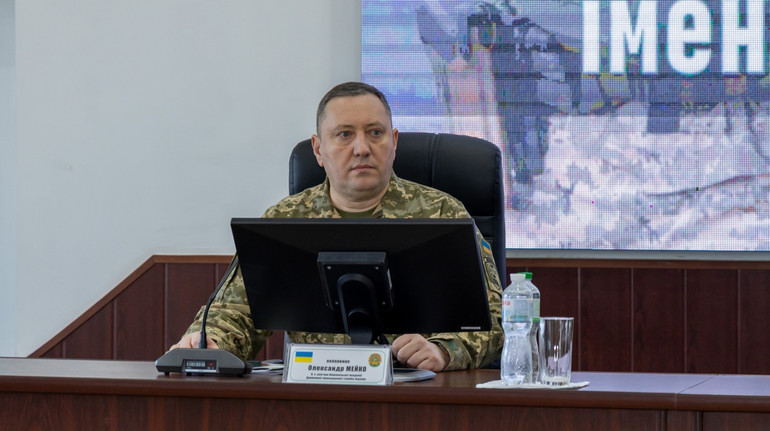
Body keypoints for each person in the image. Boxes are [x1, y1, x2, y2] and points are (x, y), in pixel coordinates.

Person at [171, 82, 503, 371]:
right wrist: (209, 341)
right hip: (316, 393)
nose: (362, 148)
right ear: (318, 149)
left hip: (416, 394)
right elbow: (235, 311)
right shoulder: (286, 220)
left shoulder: (443, 214)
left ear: (394, 141)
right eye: (345, 135)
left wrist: (444, 351)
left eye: (375, 133)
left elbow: (497, 320)